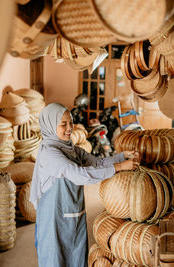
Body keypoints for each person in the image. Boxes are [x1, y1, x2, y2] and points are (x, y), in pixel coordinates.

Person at [29, 103, 139, 267]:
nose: (69, 128)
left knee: (76, 258)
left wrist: (122, 156)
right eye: (63, 124)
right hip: (54, 220)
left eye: (71, 122)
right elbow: (79, 175)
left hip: (74, 213)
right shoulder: (49, 153)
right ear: (51, 125)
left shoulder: (71, 149)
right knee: (55, 260)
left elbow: (97, 162)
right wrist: (120, 167)